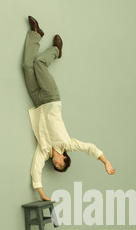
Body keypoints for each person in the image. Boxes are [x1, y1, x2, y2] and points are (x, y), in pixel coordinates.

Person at [22, 16, 116, 201]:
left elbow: (36, 170)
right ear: (64, 158)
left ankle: (35, 33)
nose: (55, 164)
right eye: (59, 165)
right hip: (51, 98)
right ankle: (57, 50)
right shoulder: (67, 144)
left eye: (55, 167)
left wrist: (42, 195)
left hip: (37, 101)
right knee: (40, 63)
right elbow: (89, 147)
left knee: (26, 66)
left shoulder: (43, 150)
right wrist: (105, 162)